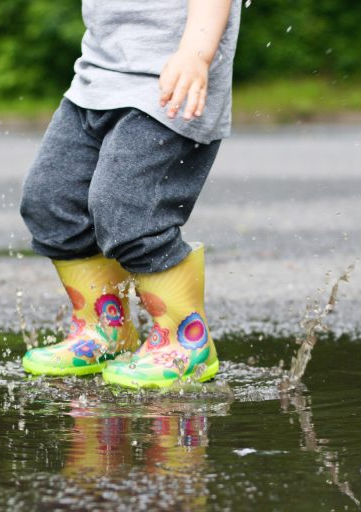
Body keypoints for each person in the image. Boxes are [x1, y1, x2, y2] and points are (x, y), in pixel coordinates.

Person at [20, 0, 241, 388]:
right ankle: (105, 331)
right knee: (50, 200)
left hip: (171, 87)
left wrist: (195, 53)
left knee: (127, 210)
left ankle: (184, 342)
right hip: (94, 82)